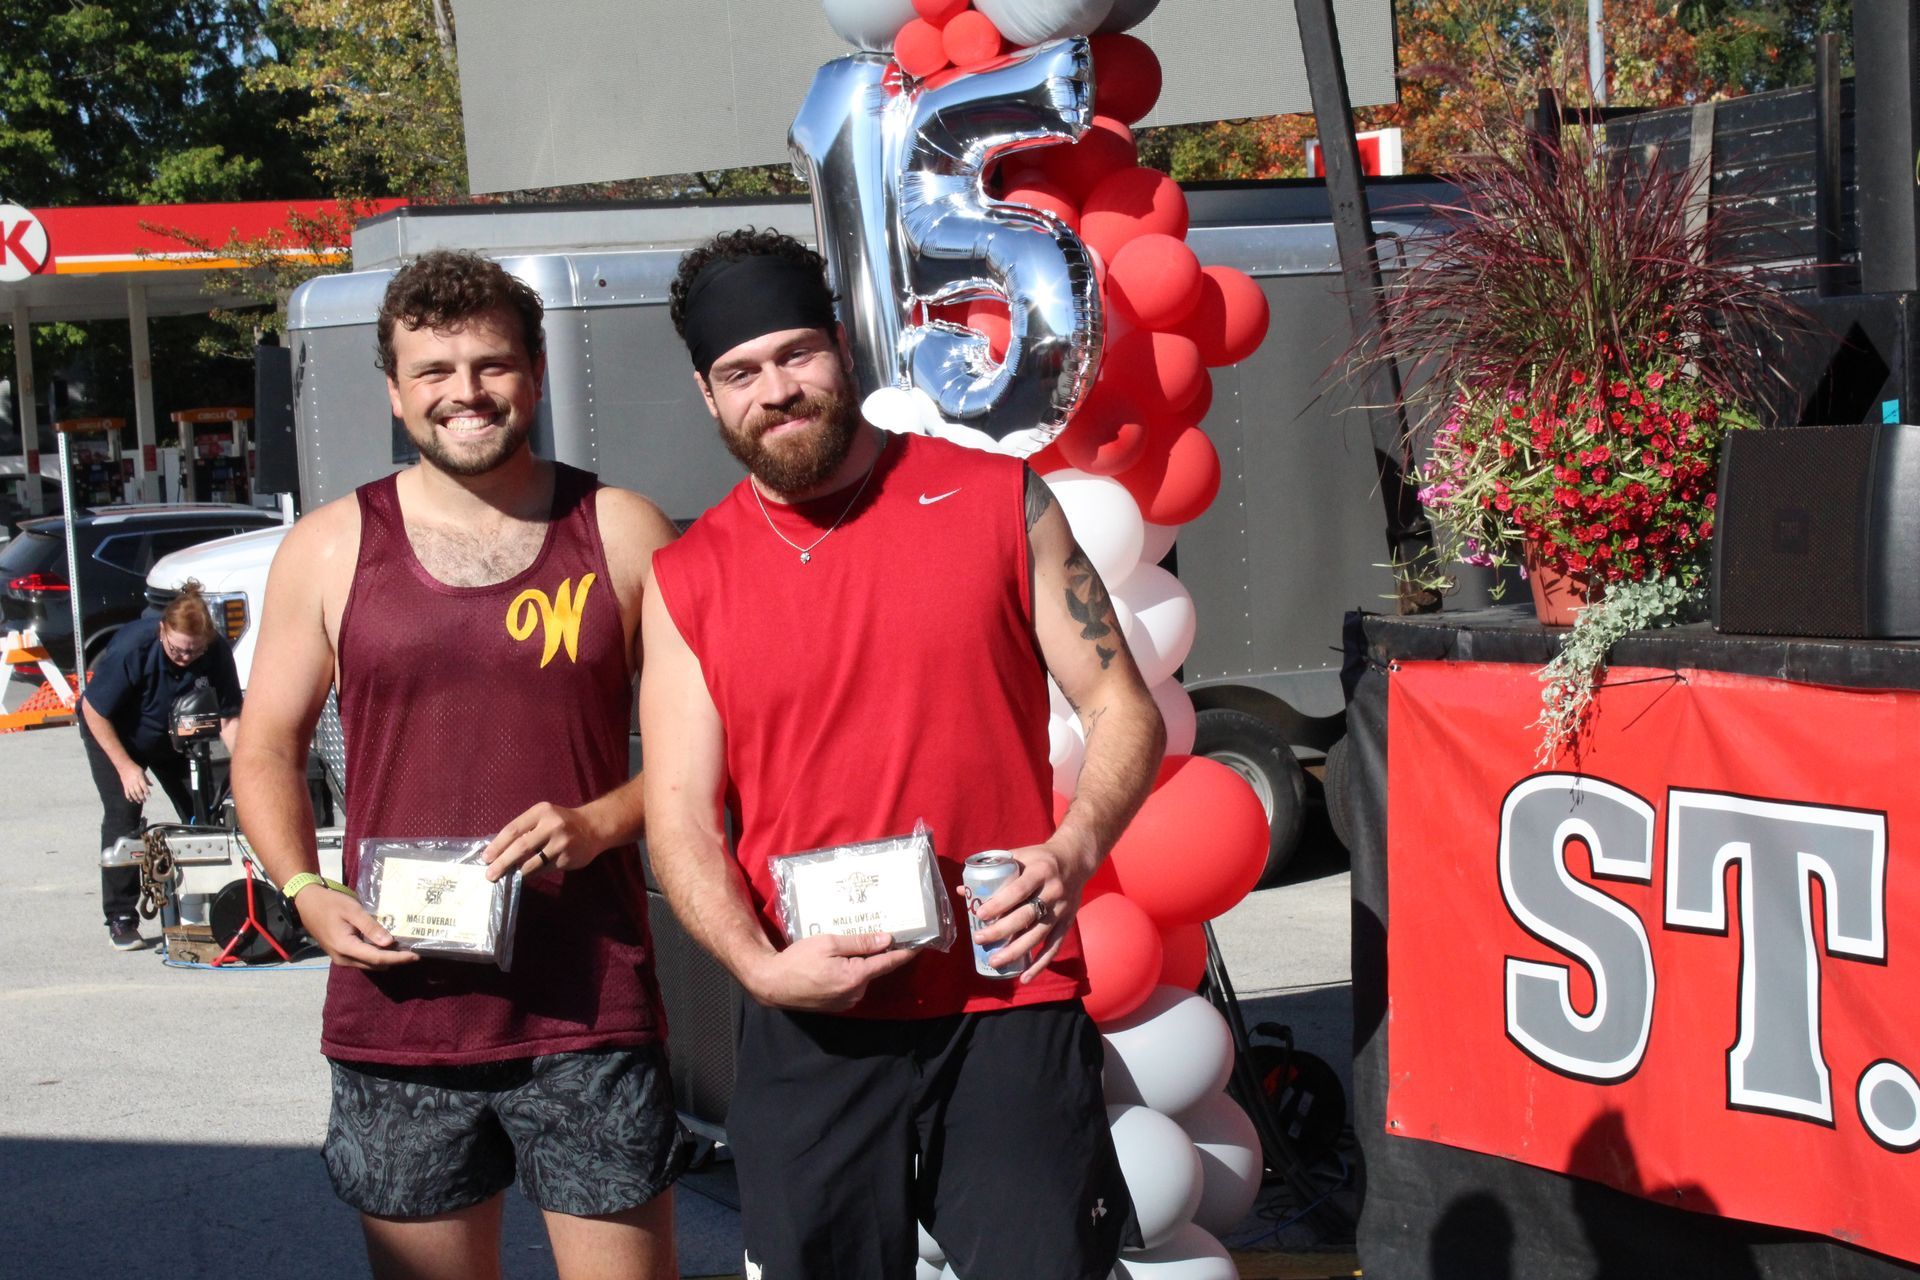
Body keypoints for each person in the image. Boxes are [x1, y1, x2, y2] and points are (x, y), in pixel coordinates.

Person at [640, 228, 1168, 1280]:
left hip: (1005, 1000)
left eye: (796, 353)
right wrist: (760, 967)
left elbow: (1123, 706)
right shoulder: (688, 577)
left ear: (843, 346)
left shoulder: (999, 498)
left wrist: (1071, 854)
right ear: (707, 394)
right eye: (741, 373)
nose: (776, 391)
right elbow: (681, 819)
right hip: (810, 1014)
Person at [232, 249, 689, 1280]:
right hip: (398, 1005)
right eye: (433, 370)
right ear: (395, 392)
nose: (465, 392)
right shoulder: (329, 546)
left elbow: (705, 745)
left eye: (491, 364)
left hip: (588, 1002)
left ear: (535, 371)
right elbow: (263, 747)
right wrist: (302, 889)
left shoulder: (621, 530)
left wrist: (601, 821)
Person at [80, 582, 242, 949]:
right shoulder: (133, 648)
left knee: (204, 811)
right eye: (177, 649)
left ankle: (215, 900)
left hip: (176, 735)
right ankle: (121, 917)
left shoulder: (215, 651)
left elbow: (230, 718)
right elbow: (93, 709)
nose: (185, 657)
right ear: (162, 631)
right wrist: (126, 767)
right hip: (117, 733)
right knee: (124, 814)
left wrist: (243, 766)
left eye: (194, 651)